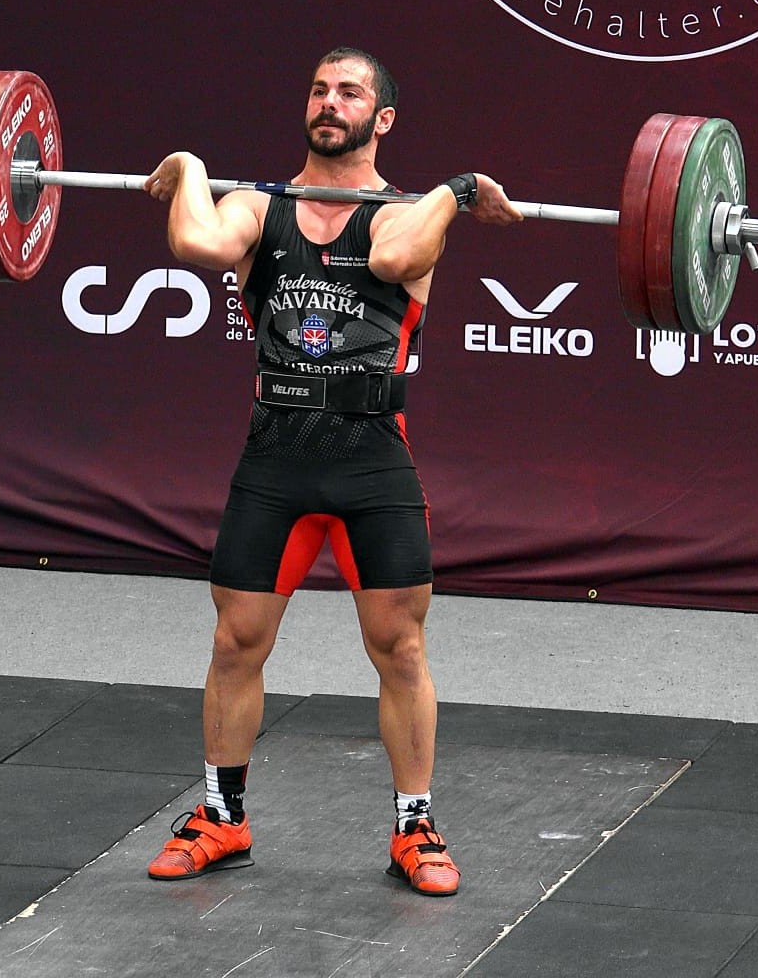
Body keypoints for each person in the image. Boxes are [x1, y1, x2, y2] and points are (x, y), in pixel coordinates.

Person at [144, 47, 522, 896]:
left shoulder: (404, 218)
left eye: (350, 92)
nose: (329, 101)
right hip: (274, 458)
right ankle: (222, 817)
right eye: (319, 89)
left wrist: (457, 190)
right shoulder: (258, 207)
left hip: (371, 461)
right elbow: (197, 239)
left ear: (381, 119)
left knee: (401, 648)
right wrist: (192, 168)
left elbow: (391, 264)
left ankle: (415, 826)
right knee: (235, 642)